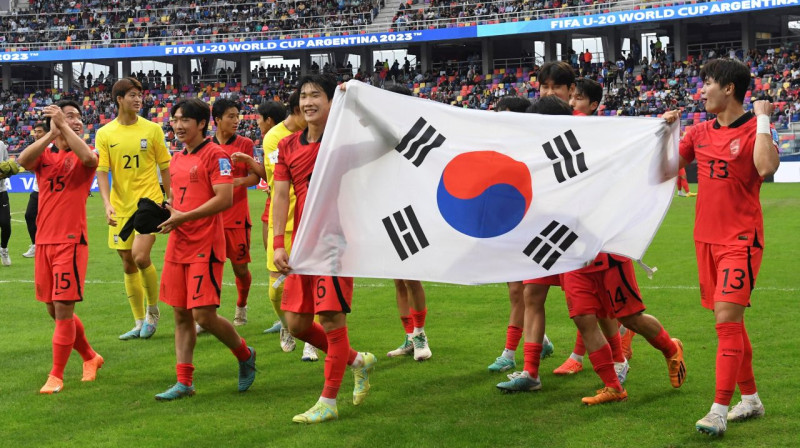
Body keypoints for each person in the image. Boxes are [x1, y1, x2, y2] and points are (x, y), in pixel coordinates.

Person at [675, 59, 779, 436]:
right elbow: (666, 165)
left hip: (740, 240)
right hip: (705, 239)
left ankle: (718, 410)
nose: (702, 90)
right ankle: (750, 399)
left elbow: (766, 169)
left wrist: (765, 120)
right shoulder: (698, 131)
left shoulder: (755, 130)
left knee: (725, 321)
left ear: (729, 88)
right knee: (732, 322)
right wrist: (665, 132)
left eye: (707, 83)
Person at [273, 74, 376, 423]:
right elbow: (281, 195)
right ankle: (358, 361)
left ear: (332, 101)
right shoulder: (287, 147)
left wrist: (358, 103)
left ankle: (328, 403)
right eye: (303, 96)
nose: (308, 102)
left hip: (335, 239)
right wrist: (277, 243)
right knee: (298, 324)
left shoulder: (342, 145)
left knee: (331, 319)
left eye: (316, 95)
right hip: (303, 243)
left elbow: (389, 141)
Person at [154, 98, 256, 401]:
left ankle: (245, 353)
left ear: (201, 124)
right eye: (174, 119)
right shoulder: (177, 158)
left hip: (205, 245)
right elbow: (181, 199)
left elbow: (224, 199)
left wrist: (183, 216)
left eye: (185, 119)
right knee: (181, 316)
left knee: (204, 316)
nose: (178, 125)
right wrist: (166, 211)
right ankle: (184, 382)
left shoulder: (217, 155)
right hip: (178, 244)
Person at [17, 100, 104, 394]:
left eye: (78, 117)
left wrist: (63, 126)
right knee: (53, 311)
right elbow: (23, 161)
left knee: (64, 309)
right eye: (69, 116)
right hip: (44, 242)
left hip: (70, 242)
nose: (76, 121)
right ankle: (91, 357)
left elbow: (91, 162)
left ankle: (56, 376)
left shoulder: (85, 154)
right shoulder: (46, 158)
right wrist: (51, 134)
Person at [96, 77, 172, 340]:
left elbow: (165, 166)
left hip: (149, 202)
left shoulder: (152, 130)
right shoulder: (105, 134)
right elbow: (102, 172)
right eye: (132, 95)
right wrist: (106, 203)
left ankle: (153, 311)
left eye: (140, 95)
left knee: (140, 257)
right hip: (120, 206)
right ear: (119, 99)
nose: (138, 99)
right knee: (127, 263)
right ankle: (138, 320)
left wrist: (169, 197)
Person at [487, 95, 555, 375]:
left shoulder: (534, 150)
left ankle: (510, 353)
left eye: (505, 115)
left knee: (522, 292)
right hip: (508, 226)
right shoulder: (499, 148)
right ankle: (541, 339)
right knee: (520, 293)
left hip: (532, 227)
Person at [382, 84, 432, 362]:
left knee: (412, 277)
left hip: (410, 212)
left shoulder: (416, 131)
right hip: (384, 210)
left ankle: (421, 335)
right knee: (398, 280)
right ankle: (409, 337)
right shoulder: (377, 132)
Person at [209, 98, 259, 328]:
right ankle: (208, 316)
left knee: (240, 269)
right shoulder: (207, 146)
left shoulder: (245, 144)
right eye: (231, 116)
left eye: (237, 116)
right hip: (212, 220)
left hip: (237, 218)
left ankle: (241, 306)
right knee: (210, 268)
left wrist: (236, 181)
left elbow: (255, 177)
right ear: (217, 119)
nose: (236, 120)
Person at [22, 123, 49, 259]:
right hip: (37, 189)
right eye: (35, 132)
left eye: (39, 132)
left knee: (50, 221)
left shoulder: (52, 147)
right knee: (29, 215)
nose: (36, 135)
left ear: (47, 133)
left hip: (51, 191)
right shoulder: (34, 148)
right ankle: (36, 245)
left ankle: (48, 246)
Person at [0, 136, 10, 266]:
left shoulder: (1, 144)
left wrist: (5, 173)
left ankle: (4, 249)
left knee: (5, 224)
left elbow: (7, 164)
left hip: (1, 191)